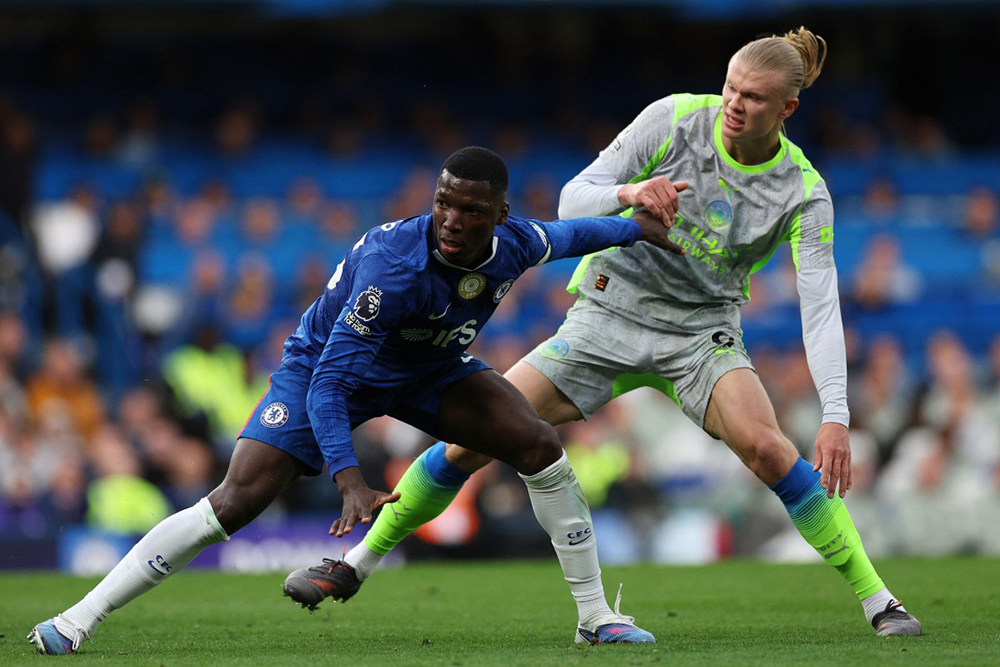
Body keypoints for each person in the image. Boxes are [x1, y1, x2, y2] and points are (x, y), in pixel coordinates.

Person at [284, 28, 922, 639]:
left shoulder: (804, 193)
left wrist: (835, 415)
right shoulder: (673, 118)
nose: (733, 104)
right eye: (730, 87)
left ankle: (878, 600)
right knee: (471, 443)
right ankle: (355, 564)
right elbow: (570, 200)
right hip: (605, 315)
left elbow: (819, 304)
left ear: (788, 107)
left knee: (768, 449)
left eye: (752, 97)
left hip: (699, 335)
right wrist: (629, 191)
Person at [27, 146, 680, 655]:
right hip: (324, 368)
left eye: (471, 210)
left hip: (428, 367)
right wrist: (349, 480)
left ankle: (595, 617)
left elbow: (570, 236)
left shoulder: (515, 245)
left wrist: (636, 230)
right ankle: (78, 617)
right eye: (444, 202)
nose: (453, 219)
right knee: (236, 500)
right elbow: (333, 384)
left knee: (538, 442)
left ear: (499, 217)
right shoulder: (395, 269)